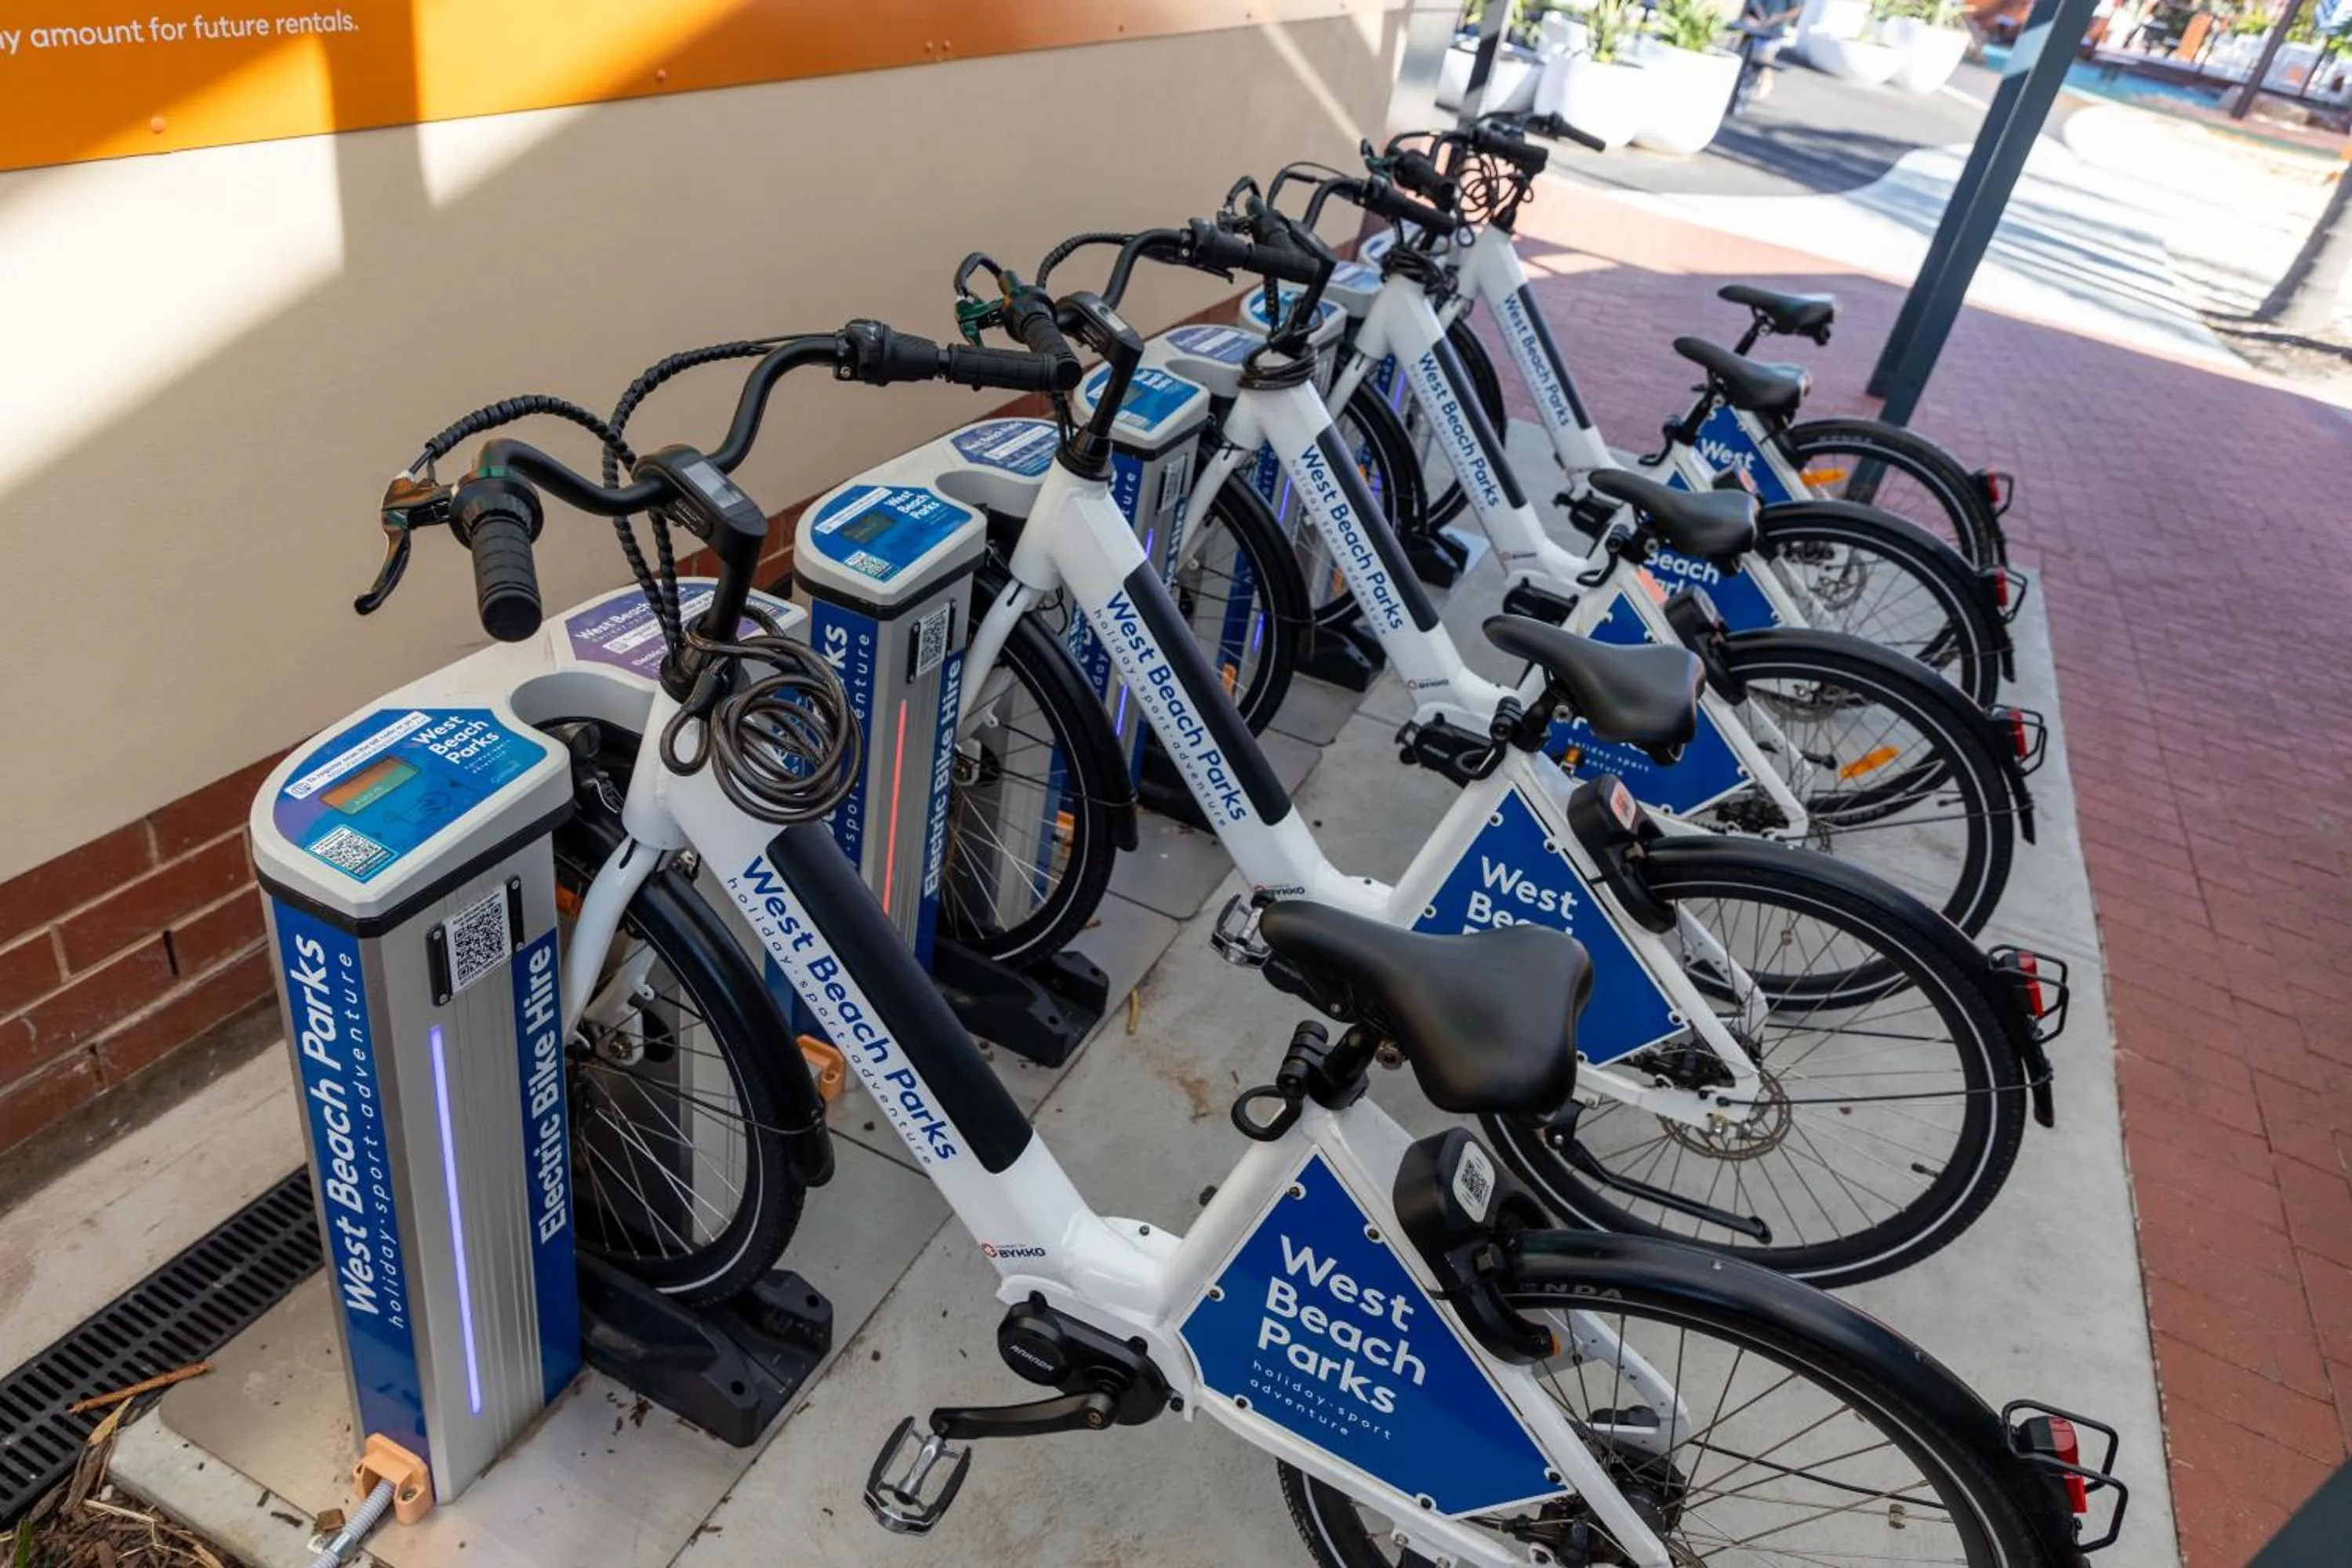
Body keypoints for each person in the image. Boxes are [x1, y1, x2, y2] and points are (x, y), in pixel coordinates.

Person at [1732, 0, 1804, 114]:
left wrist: (1776, 18)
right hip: (1754, 28)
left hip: (1773, 33)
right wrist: (1760, 17)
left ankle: (1763, 84)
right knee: (1744, 60)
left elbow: (1796, 10)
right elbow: (1754, 4)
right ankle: (1740, 96)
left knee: (1763, 60)